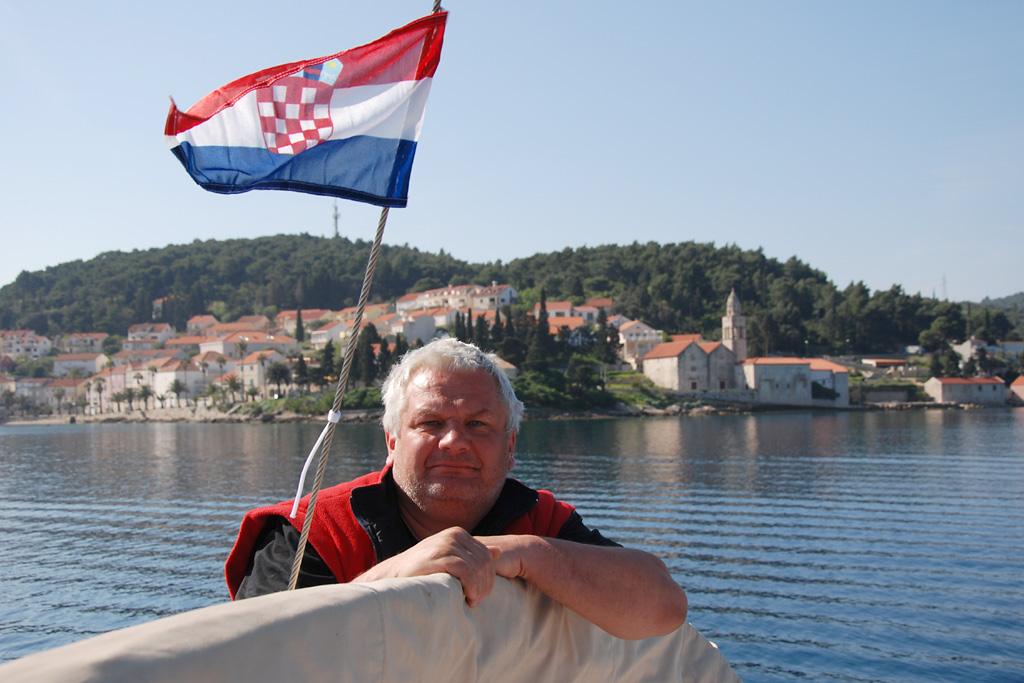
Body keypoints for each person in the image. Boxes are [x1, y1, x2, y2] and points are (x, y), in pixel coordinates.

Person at [226, 338, 687, 640]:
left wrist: (525, 553)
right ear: (392, 442)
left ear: (510, 447)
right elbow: (252, 655)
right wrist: (396, 575)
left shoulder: (542, 522)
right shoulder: (312, 531)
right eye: (429, 422)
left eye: (477, 424)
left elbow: (664, 608)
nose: (455, 441)